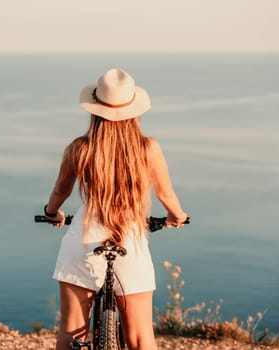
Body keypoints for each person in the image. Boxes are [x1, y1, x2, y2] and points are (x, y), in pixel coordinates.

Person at [44, 68, 188, 350]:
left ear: (95, 109)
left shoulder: (79, 149)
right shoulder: (148, 148)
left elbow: (61, 191)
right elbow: (166, 194)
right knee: (140, 336)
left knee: (72, 331)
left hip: (83, 241)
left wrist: (52, 213)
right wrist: (177, 217)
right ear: (134, 110)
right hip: (128, 242)